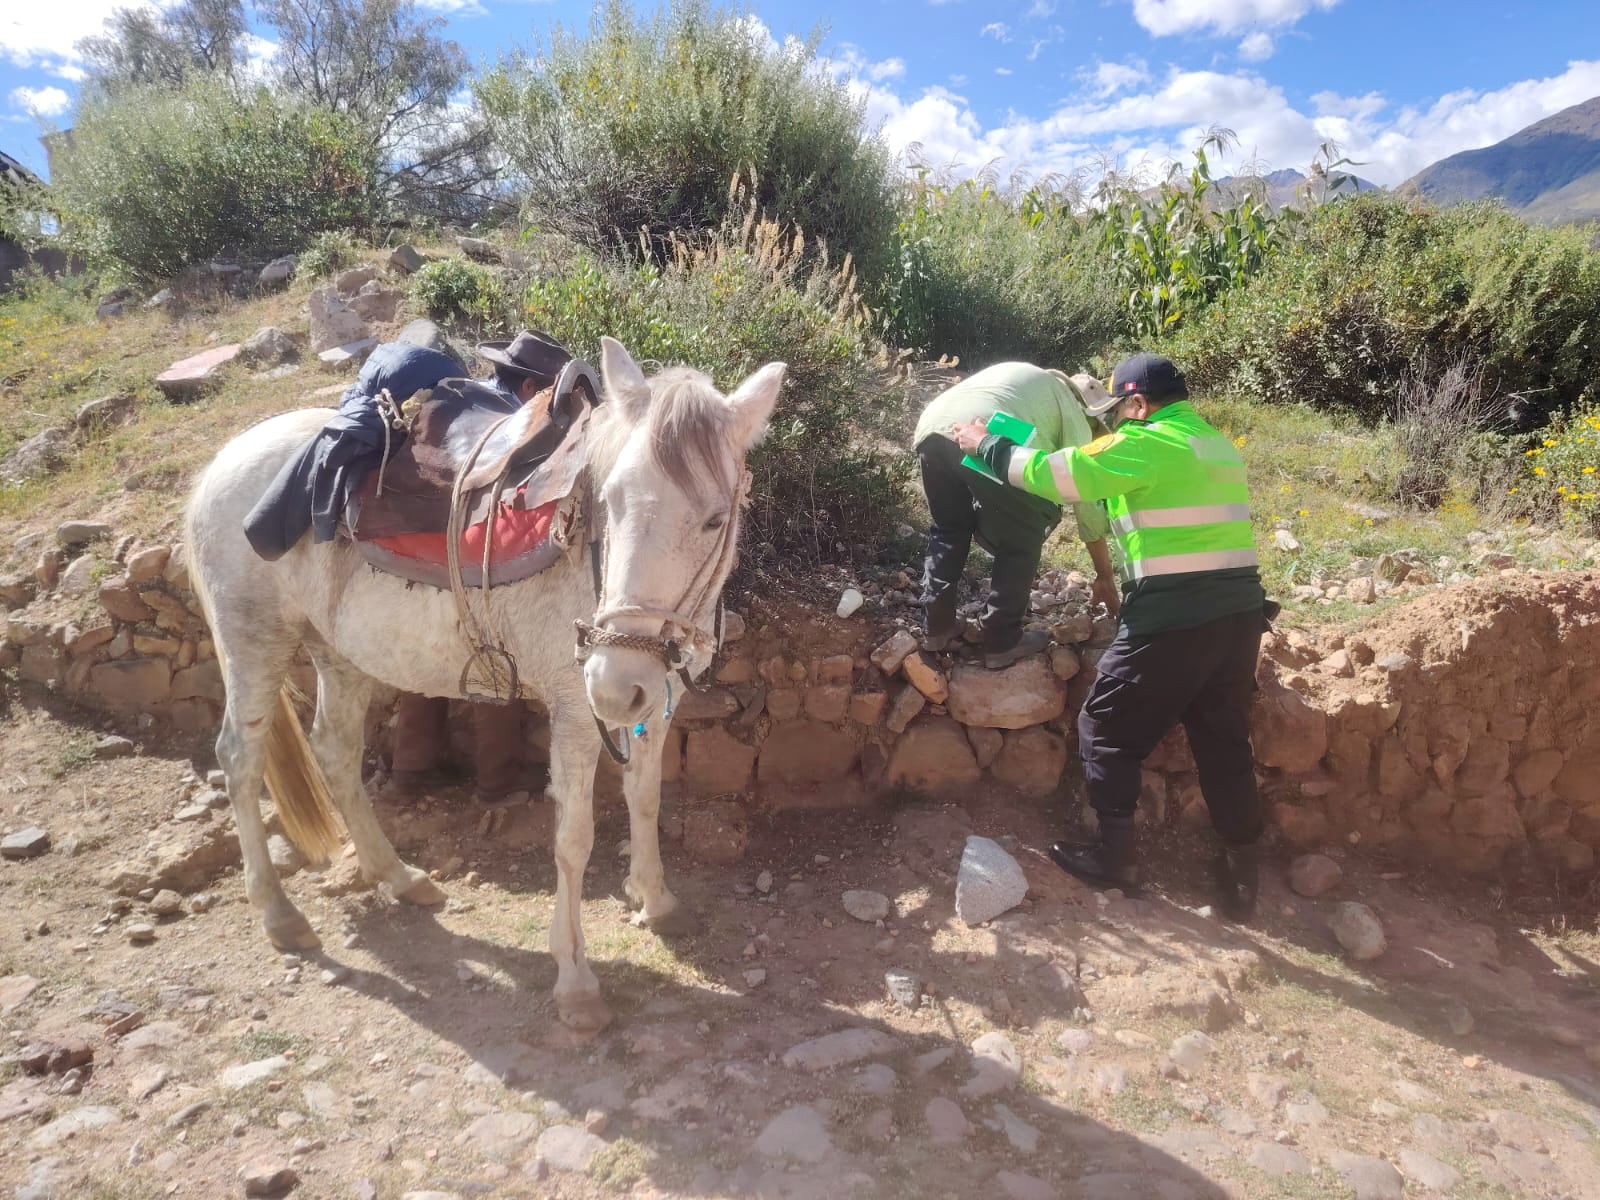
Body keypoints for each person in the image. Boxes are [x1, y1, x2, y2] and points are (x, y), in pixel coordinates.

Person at [954, 352, 1271, 920]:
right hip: (1241, 614)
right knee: (1223, 740)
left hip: (1175, 614)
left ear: (1139, 404)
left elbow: (1062, 473)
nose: (1115, 422)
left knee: (1104, 727)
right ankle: (1243, 874)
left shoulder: (1145, 442)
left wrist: (987, 445)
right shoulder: (1216, 445)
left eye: (1118, 411)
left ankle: (1115, 857)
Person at [386, 329, 569, 802]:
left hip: (411, 550)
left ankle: (412, 767)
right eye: (550, 392)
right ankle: (497, 779)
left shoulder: (460, 400)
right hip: (471, 555)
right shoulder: (511, 422)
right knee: (493, 659)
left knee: (425, 654)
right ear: (531, 388)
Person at [913, 362, 1120, 670]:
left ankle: (936, 625)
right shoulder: (1071, 409)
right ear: (1089, 411)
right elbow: (1085, 499)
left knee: (949, 528)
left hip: (932, 426)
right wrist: (1104, 575)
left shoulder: (1028, 380)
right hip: (983, 431)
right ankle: (1001, 639)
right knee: (1021, 536)